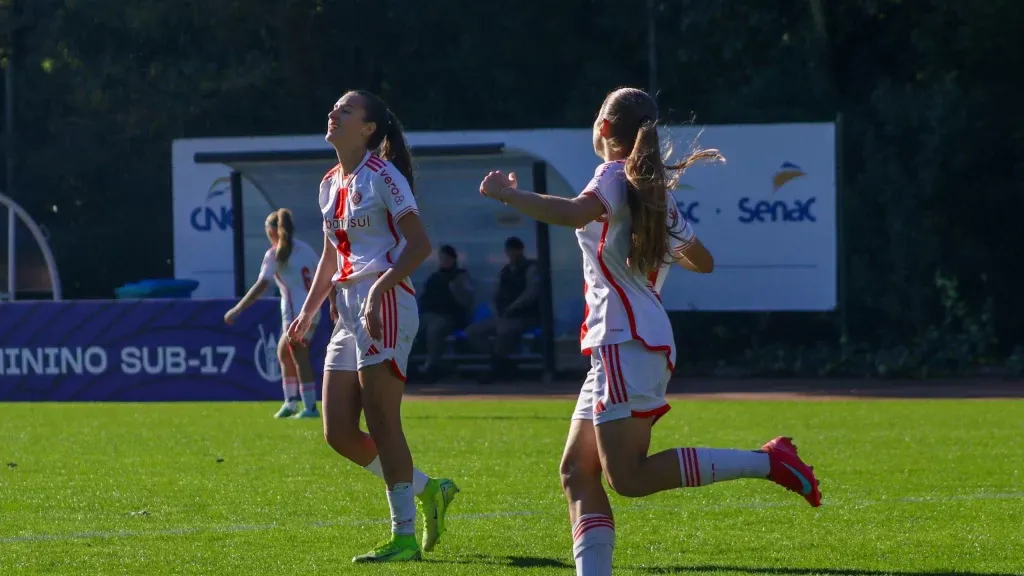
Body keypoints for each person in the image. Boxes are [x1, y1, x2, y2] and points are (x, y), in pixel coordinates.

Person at [477, 87, 822, 576]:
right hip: (629, 342)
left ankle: (769, 461)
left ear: (603, 129)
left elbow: (575, 212)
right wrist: (659, 232)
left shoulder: (614, 176)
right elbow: (703, 262)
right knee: (577, 472)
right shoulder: (651, 195)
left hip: (624, 339)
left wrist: (509, 194)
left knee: (629, 478)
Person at [287, 90, 459, 563]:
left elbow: (419, 245)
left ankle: (403, 536)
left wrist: (382, 288)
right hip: (348, 310)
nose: (333, 113)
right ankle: (430, 489)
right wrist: (308, 308)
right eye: (334, 108)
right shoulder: (328, 183)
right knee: (338, 431)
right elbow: (330, 255)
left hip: (385, 303)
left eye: (345, 110)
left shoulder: (384, 175)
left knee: (383, 422)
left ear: (368, 129)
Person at [225, 209, 321, 419]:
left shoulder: (275, 253)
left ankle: (310, 407)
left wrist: (238, 309)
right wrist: (331, 304)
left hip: (297, 312)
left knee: (298, 356)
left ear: (272, 230)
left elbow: (262, 285)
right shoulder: (305, 249)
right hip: (312, 309)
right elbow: (323, 277)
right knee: (284, 353)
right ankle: (291, 403)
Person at [464, 236, 540, 382]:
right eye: (509, 251)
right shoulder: (505, 271)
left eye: (515, 250)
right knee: (472, 332)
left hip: (523, 315)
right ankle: (503, 363)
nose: (512, 254)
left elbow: (530, 294)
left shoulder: (531, 268)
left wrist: (512, 308)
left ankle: (496, 369)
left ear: (521, 250)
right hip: (502, 315)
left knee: (503, 331)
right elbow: (495, 294)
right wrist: (496, 310)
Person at [415, 244, 474, 381]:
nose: (444, 261)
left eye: (447, 258)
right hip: (428, 315)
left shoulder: (460, 276)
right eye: (442, 258)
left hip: (449, 316)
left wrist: (455, 289)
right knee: (408, 329)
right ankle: (406, 366)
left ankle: (431, 365)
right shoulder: (435, 277)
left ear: (453, 259)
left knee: (434, 330)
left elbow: (466, 302)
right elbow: (425, 298)